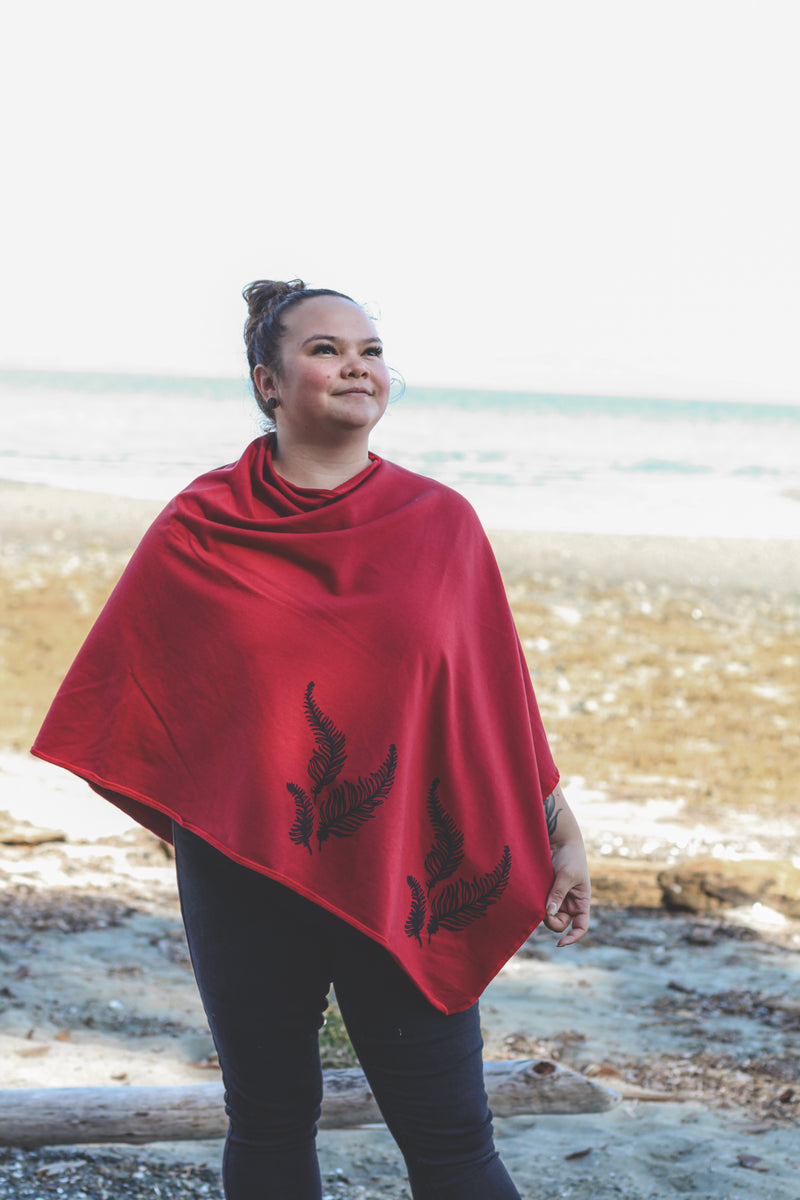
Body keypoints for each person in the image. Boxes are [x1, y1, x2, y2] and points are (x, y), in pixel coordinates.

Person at [32, 279, 591, 1200]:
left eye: (370, 350)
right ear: (268, 380)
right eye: (326, 350)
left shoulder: (440, 523)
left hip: (409, 860)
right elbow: (137, 692)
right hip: (243, 866)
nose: (356, 367)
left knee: (451, 1139)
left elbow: (490, 697)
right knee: (270, 1120)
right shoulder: (200, 525)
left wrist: (554, 821)